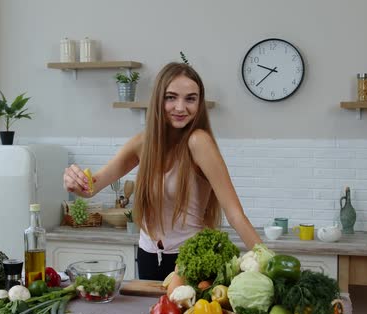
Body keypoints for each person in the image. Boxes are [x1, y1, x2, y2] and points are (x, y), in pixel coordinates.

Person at [63, 62, 262, 281]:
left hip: (189, 261)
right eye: (171, 97)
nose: (180, 107)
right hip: (148, 255)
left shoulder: (199, 142)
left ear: (199, 103)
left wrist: (269, 264)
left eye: (190, 99)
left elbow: (235, 214)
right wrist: (74, 180)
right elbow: (91, 187)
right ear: (159, 99)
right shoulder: (143, 143)